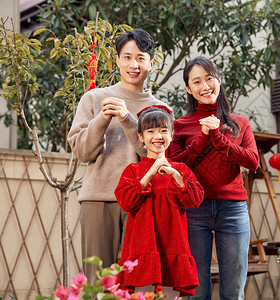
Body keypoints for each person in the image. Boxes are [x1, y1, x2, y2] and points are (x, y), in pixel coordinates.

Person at [68, 28, 170, 284]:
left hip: (143, 202)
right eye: (126, 57)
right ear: (117, 60)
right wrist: (102, 118)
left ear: (151, 63)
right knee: (97, 281)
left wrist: (127, 118)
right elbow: (82, 152)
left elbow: (156, 156)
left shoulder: (161, 109)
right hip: (98, 200)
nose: (133, 64)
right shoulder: (94, 98)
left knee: (138, 282)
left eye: (140, 58)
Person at [168, 56, 259, 300]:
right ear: (189, 88)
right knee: (196, 291)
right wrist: (202, 138)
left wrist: (218, 137)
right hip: (193, 209)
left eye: (209, 78)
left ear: (218, 80)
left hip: (233, 209)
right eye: (196, 81)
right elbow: (174, 165)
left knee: (233, 291)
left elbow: (253, 161)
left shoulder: (240, 123)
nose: (205, 86)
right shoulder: (180, 125)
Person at [115, 105, 204, 297]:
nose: (158, 136)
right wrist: (150, 173)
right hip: (142, 248)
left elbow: (195, 199)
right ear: (140, 137)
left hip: (173, 246)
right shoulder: (133, 170)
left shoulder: (181, 169)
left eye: (164, 130)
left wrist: (175, 174)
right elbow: (126, 202)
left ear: (172, 135)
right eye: (151, 131)